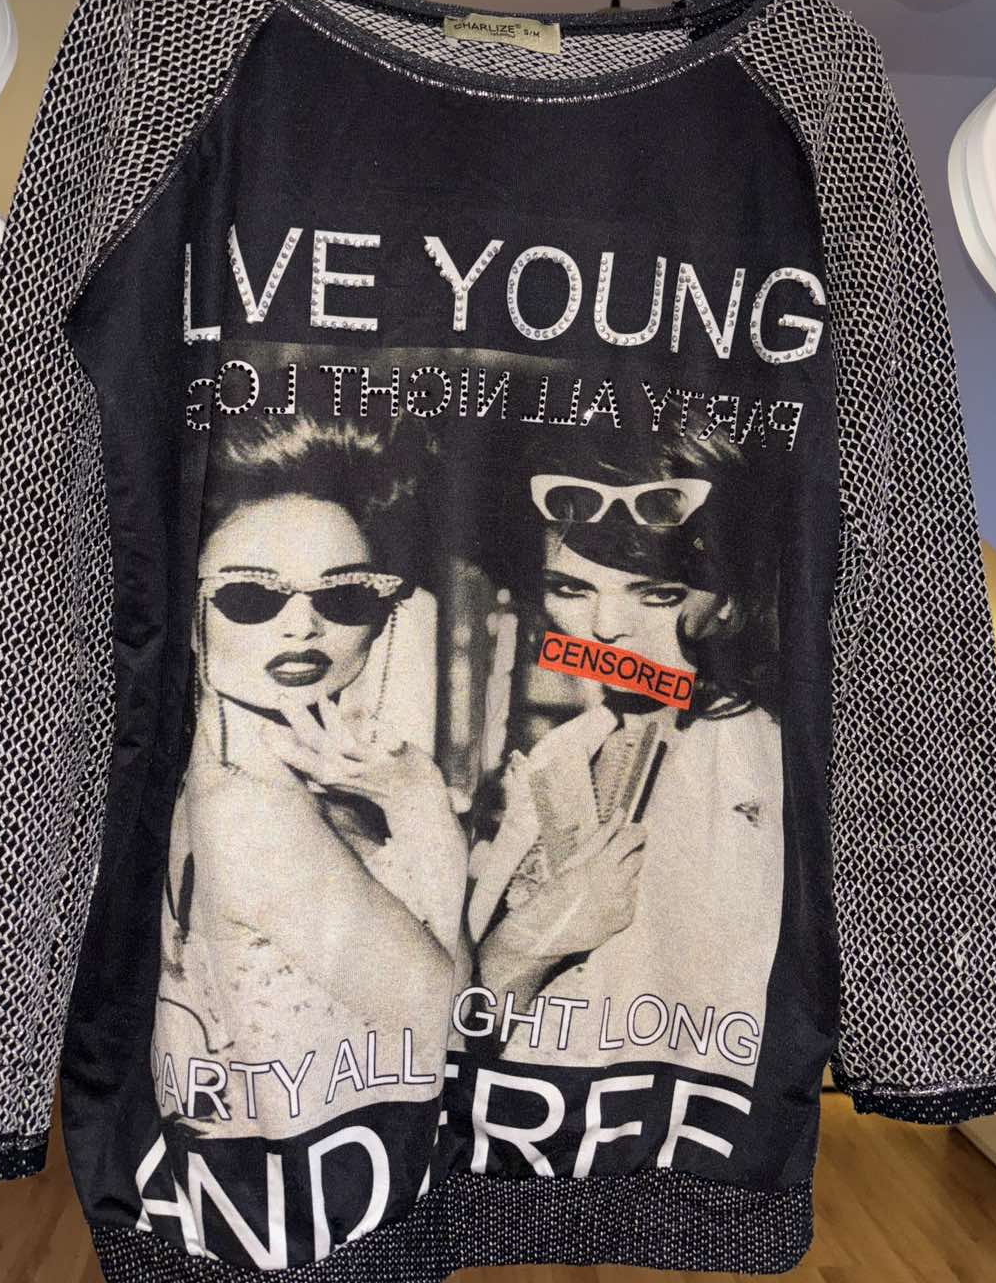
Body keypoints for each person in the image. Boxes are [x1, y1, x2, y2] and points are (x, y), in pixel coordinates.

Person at [151, 409, 469, 1140]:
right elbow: (458, 1039)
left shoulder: (242, 783)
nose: (302, 627)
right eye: (251, 597)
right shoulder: (254, 812)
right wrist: (422, 807)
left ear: (383, 617)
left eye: (343, 596)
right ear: (192, 611)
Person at [466, 405, 785, 1080]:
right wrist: (536, 934)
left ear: (730, 600)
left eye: (657, 594)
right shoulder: (563, 752)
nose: (606, 627)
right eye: (570, 589)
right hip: (532, 1120)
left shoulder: (771, 765)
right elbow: (473, 1026)